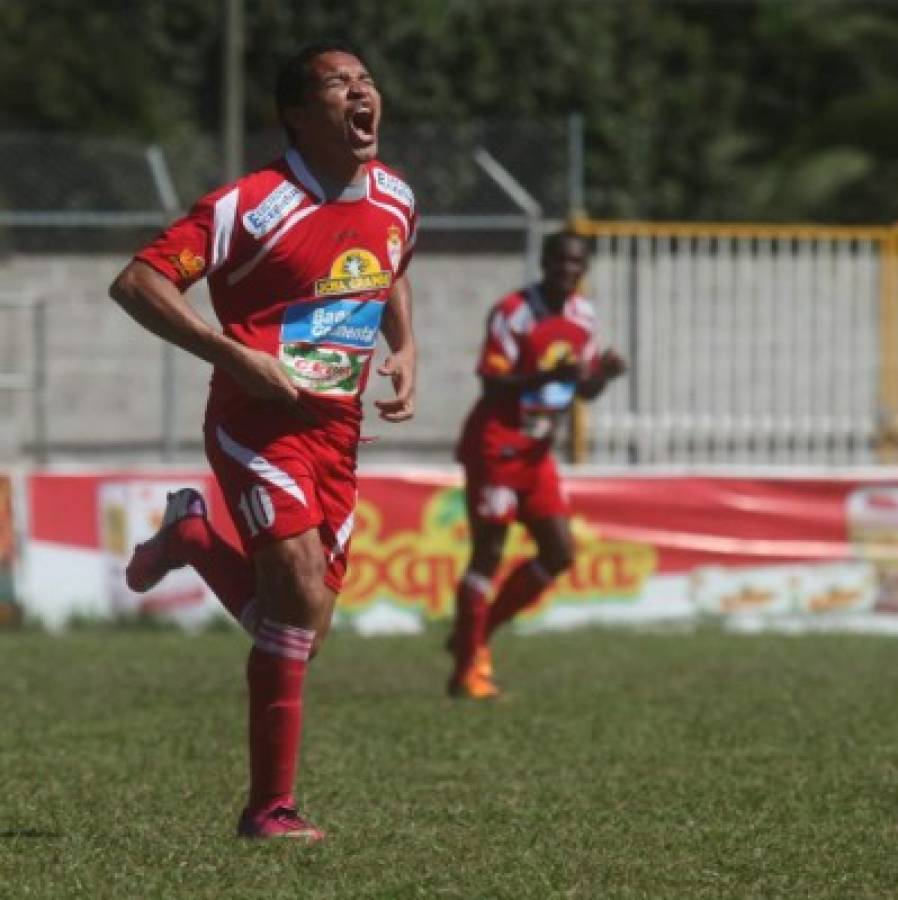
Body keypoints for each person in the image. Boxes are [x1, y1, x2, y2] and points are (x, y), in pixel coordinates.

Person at [109, 42, 417, 840]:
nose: (361, 93)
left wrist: (405, 347)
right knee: (300, 595)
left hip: (337, 431)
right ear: (296, 115)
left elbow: (391, 264)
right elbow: (137, 283)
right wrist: (232, 353)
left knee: (300, 631)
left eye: (366, 81)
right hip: (257, 425)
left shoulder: (395, 196)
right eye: (338, 84)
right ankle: (268, 811)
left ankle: (191, 537)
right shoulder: (251, 203)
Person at [449, 231, 626, 699]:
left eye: (577, 264)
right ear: (545, 262)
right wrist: (551, 375)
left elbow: (580, 388)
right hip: (497, 448)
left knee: (560, 552)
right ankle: (467, 671)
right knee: (488, 554)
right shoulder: (514, 313)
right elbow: (491, 385)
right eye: (561, 261)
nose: (569, 270)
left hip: (537, 451)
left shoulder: (583, 316)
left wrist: (601, 378)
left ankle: (477, 633)